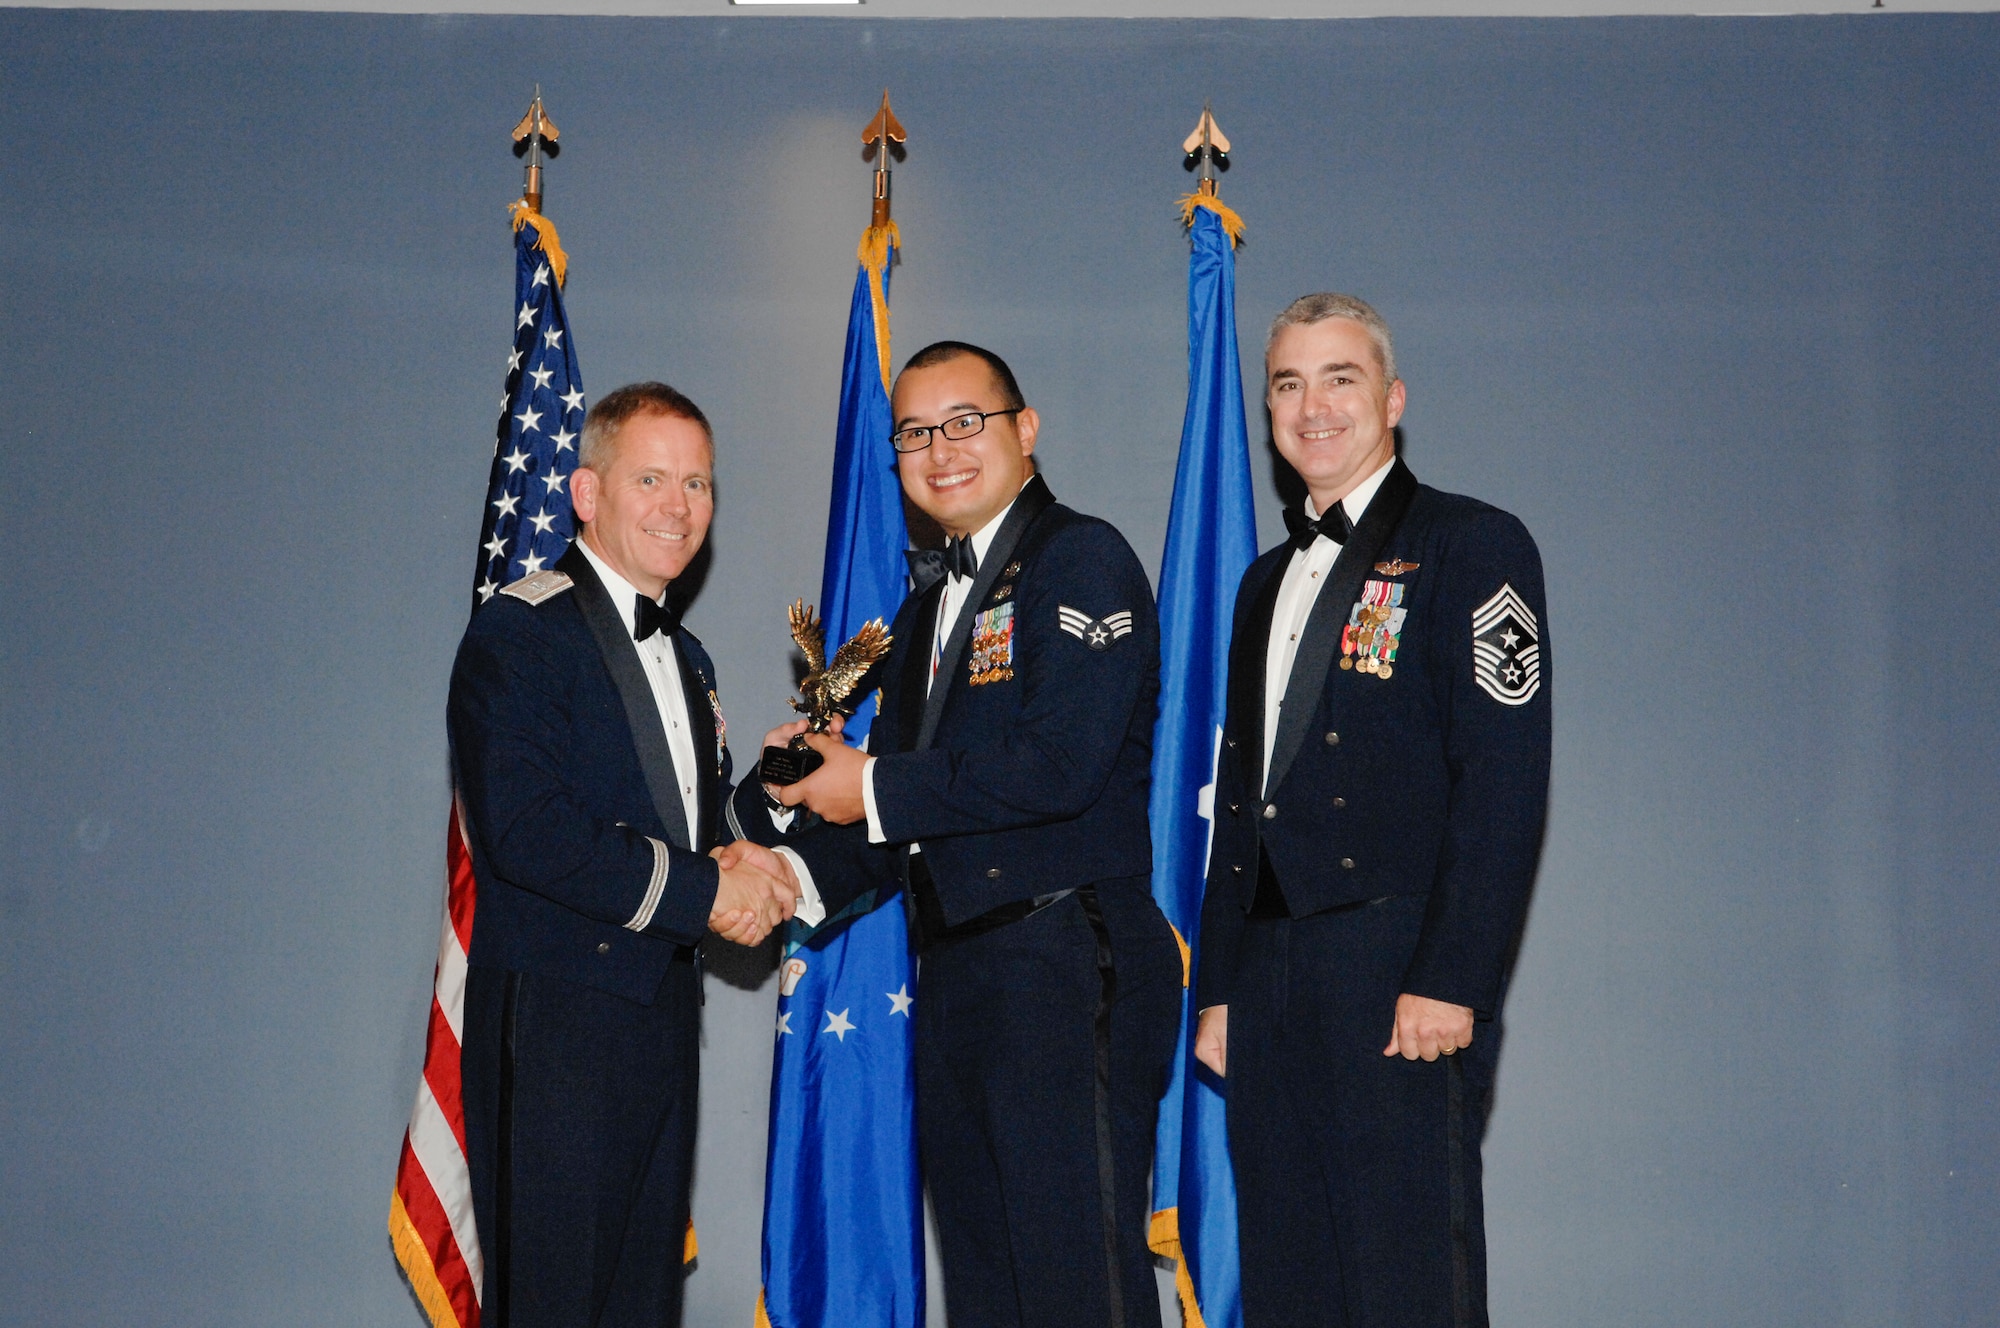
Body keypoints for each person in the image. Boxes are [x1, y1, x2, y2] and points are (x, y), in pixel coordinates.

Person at [739, 342, 1182, 1328]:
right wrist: (768, 825)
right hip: (962, 979)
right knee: (988, 1290)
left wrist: (873, 782)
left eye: (963, 421)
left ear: (1025, 432)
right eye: (911, 432)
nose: (937, 448)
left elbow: (1059, 763)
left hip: (1066, 961)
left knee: (1076, 1286)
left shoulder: (1080, 556)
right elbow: (882, 822)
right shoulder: (925, 605)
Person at [1192, 294, 1551, 1328]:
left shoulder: (1472, 544)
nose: (1312, 406)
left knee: (1404, 1287)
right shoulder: (1263, 582)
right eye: (1287, 383)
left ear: (1390, 398)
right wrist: (1218, 987)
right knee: (1289, 1284)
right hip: (1267, 984)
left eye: (1338, 378)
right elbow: (1239, 804)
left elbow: (1503, 776)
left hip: (1398, 971)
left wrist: (1451, 975)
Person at [448, 381, 801, 1327]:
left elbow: (693, 832)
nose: (679, 507)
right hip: (557, 1027)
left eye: (699, 483)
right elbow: (529, 833)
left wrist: (775, 813)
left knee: (641, 1305)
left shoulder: (690, 659)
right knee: (558, 1306)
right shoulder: (520, 632)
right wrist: (706, 893)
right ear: (587, 493)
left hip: (659, 1021)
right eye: (652, 479)